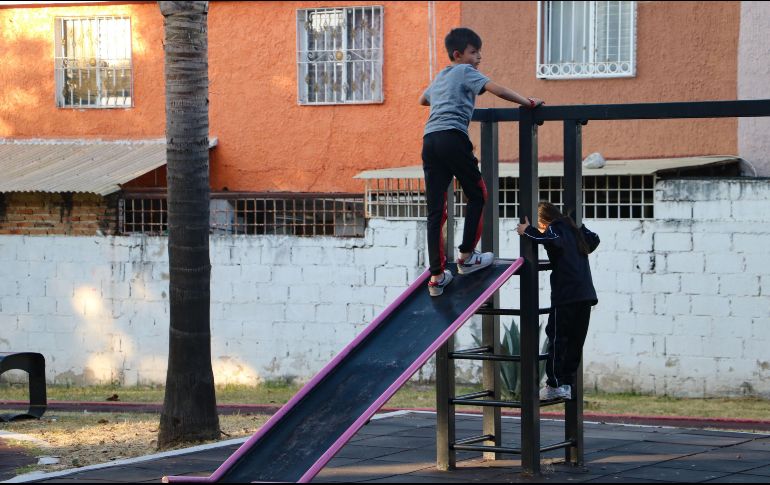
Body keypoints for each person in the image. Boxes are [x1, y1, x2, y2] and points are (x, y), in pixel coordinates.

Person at [420, 27, 544, 297]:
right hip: (453, 138)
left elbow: (422, 99)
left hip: (429, 141)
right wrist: (527, 101)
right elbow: (496, 89)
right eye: (474, 52)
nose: (479, 58)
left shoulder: (441, 76)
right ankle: (466, 257)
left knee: (436, 211)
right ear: (458, 54)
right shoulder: (466, 72)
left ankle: (437, 276)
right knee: (478, 194)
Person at [516, 202, 600, 401]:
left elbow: (551, 240)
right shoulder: (573, 229)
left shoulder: (556, 228)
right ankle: (567, 383)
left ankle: (554, 383)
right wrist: (580, 226)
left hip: (567, 294)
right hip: (585, 294)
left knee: (557, 337)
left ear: (543, 220)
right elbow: (594, 240)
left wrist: (527, 231)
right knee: (575, 340)